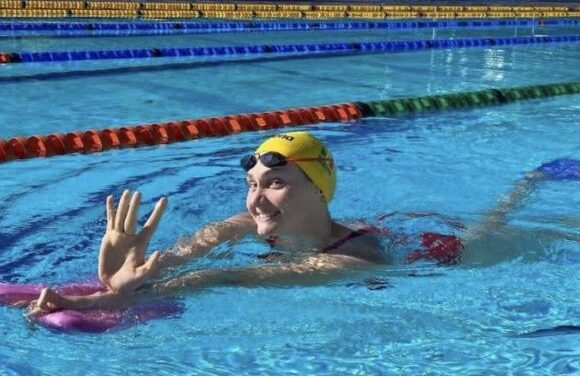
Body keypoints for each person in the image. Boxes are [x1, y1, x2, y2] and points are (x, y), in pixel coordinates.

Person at [24, 133, 579, 316]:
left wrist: (102, 304)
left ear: (319, 189)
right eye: (252, 185)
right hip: (381, 225)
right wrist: (130, 274)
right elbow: (179, 258)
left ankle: (532, 182)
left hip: (442, 252)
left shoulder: (348, 262)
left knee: (503, 227)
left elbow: (224, 279)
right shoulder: (242, 221)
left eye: (275, 183)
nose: (257, 199)